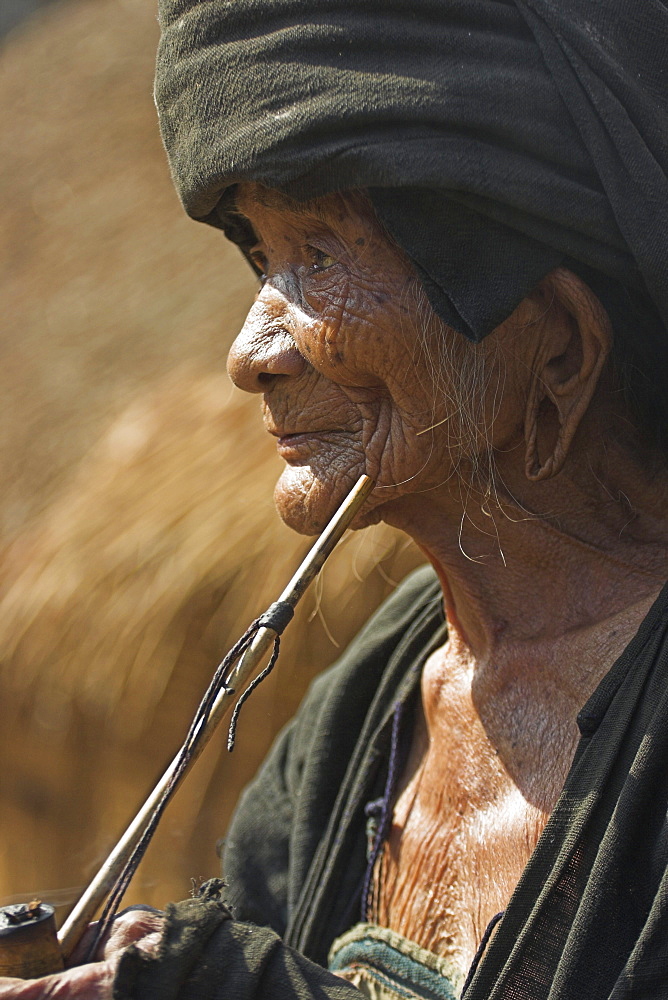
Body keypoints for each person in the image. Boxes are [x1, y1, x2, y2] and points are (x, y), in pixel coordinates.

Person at [2, 0, 668, 997]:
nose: (247, 355)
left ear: (559, 343)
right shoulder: (369, 706)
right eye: (262, 258)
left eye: (317, 259)